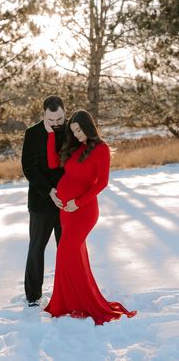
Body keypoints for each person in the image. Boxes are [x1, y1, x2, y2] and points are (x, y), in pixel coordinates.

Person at [43, 109, 137, 325]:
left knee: (65, 254)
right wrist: (50, 135)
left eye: (79, 130)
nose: (76, 135)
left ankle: (87, 304)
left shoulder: (101, 149)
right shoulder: (76, 148)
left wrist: (79, 202)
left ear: (88, 127)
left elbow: (102, 182)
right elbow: (51, 163)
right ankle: (68, 303)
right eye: (73, 131)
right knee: (73, 257)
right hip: (66, 211)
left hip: (83, 212)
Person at [22, 96, 66, 307]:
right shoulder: (32, 133)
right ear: (43, 115)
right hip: (40, 201)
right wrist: (49, 191)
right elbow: (29, 168)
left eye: (60, 118)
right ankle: (33, 296)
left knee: (66, 247)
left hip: (66, 199)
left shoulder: (71, 130)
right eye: (52, 119)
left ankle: (66, 290)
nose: (57, 123)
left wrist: (65, 191)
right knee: (37, 247)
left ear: (65, 112)